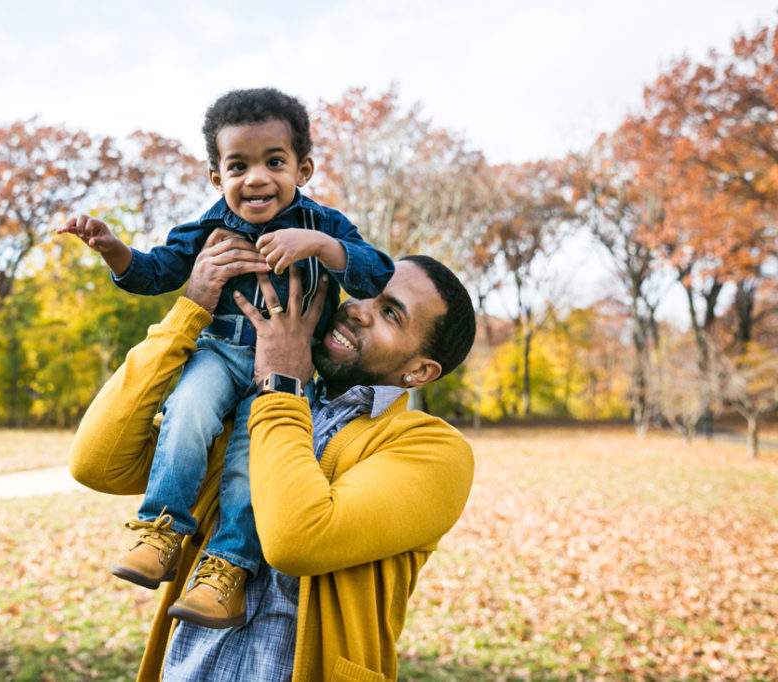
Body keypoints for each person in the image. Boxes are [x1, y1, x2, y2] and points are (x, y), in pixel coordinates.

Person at [68, 232, 476, 681]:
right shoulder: (246, 402)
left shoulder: (432, 451)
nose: (358, 309)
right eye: (365, 292)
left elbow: (296, 540)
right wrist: (188, 315)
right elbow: (98, 462)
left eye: (390, 314)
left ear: (419, 371)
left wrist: (282, 383)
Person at [59, 88, 394, 629]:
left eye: (274, 162)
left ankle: (227, 572)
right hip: (218, 353)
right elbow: (155, 272)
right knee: (186, 414)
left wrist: (321, 247)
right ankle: (162, 530)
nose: (256, 178)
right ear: (217, 177)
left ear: (302, 168)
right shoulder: (209, 228)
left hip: (286, 371)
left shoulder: (324, 225)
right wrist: (113, 249)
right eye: (238, 166)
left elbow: (375, 272)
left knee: (246, 464)